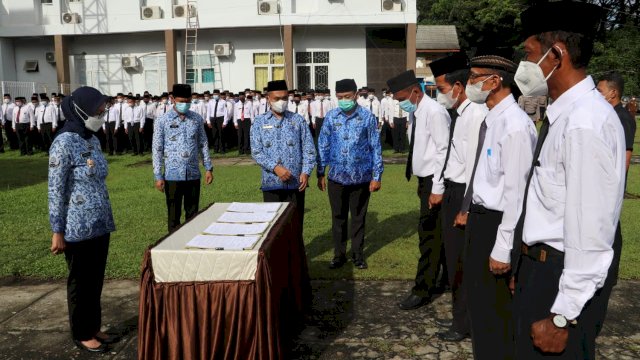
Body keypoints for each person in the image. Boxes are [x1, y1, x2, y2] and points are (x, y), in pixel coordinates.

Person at [512, 3, 626, 359]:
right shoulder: (566, 115)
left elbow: (591, 230)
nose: (524, 66)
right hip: (542, 270)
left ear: (556, 54)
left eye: (530, 54)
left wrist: (562, 317)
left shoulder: (585, 123)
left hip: (561, 281)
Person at [454, 52, 536, 360]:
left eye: (475, 78)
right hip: (479, 219)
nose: (470, 84)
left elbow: (516, 193)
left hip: (497, 224)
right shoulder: (493, 119)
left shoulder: (515, 125)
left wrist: (503, 247)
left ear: (494, 80)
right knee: (479, 304)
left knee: (494, 311)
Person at [48, 86, 118, 353]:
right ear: (81, 110)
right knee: (80, 282)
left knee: (96, 279)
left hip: (99, 222)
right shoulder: (64, 142)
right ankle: (81, 333)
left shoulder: (92, 139)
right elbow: (56, 190)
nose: (102, 113)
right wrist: (57, 231)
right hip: (76, 227)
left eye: (104, 109)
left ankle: (93, 326)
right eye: (99, 110)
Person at [430, 52, 488, 341]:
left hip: (463, 194)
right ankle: (460, 319)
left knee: (462, 264)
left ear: (458, 87)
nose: (440, 96)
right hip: (453, 190)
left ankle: (464, 323)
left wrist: (465, 206)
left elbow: (477, 165)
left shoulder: (476, 115)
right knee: (454, 262)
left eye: (441, 89)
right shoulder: (461, 113)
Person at [386, 70, 450, 310]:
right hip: (424, 182)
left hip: (434, 182)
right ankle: (445, 279)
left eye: (400, 97)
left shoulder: (434, 112)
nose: (398, 102)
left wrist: (437, 188)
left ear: (414, 91)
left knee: (428, 235)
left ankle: (422, 289)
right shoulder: (417, 112)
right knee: (437, 233)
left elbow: (443, 151)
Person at [317, 79, 383, 270]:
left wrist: (376, 176)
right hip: (336, 177)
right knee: (338, 217)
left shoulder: (367, 118)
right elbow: (323, 145)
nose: (344, 100)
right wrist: (320, 172)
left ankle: (358, 254)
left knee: (358, 218)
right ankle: (339, 255)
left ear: (355, 95)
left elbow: (375, 147)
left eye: (347, 97)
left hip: (361, 177)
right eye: (340, 97)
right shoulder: (331, 117)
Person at [250, 80, 316, 229]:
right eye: (277, 98)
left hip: (296, 183)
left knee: (295, 224)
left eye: (285, 98)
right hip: (271, 182)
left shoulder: (297, 120)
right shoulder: (259, 122)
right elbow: (256, 151)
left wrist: (306, 172)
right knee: (274, 227)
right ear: (268, 99)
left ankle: (296, 253)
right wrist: (275, 168)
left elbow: (309, 149)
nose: (282, 102)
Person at [152, 84, 214, 232]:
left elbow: (203, 143)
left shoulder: (196, 119)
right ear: (172, 99)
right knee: (174, 214)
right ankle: (173, 246)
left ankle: (190, 244)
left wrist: (208, 168)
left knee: (193, 214)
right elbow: (157, 148)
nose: (184, 104)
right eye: (181, 101)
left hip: (192, 173)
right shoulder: (162, 120)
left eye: (187, 101)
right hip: (172, 175)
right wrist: (158, 175)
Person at [597, 72, 636, 179]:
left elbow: (625, 155)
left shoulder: (622, 118)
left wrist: (615, 187)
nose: (596, 95)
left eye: (600, 91)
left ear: (613, 93)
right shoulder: (608, 114)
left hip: (610, 184)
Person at [207, 89, 228, 153]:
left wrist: (225, 122)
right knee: (214, 134)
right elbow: (208, 112)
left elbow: (225, 112)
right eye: (214, 94)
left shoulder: (223, 102)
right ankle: (216, 149)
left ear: (219, 94)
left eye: (216, 94)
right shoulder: (210, 102)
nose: (215, 95)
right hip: (213, 119)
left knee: (221, 134)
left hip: (220, 119)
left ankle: (222, 149)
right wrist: (208, 121)